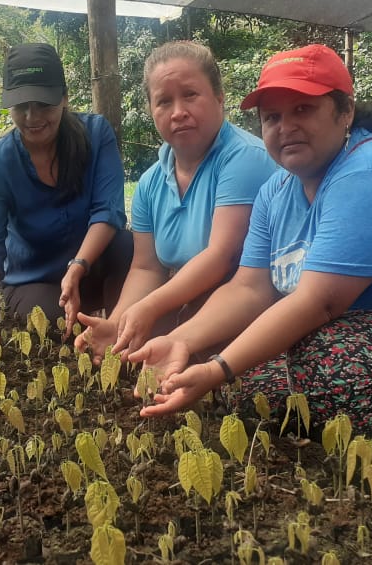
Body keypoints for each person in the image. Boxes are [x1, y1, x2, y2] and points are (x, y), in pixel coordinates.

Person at [128, 44, 372, 512]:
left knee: (326, 360)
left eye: (303, 110)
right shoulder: (277, 191)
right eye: (272, 117)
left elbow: (319, 302)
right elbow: (249, 288)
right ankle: (355, 440)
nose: (285, 127)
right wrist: (182, 341)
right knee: (254, 385)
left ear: (344, 111)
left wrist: (216, 369)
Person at [73, 41, 278, 361]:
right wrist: (118, 323)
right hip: (192, 299)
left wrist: (150, 307)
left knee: (167, 334)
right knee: (138, 343)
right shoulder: (150, 183)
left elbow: (220, 257)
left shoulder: (244, 159)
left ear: (219, 98)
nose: (178, 112)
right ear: (151, 110)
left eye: (190, 95)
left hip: (250, 303)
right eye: (164, 101)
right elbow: (146, 268)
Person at [0, 43, 132, 351]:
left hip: (92, 267)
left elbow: (109, 212)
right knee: (52, 324)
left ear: (64, 98)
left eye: (43, 104)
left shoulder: (95, 135)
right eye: (20, 106)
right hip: (36, 280)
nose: (32, 116)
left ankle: (121, 325)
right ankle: (96, 332)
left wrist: (78, 266)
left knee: (128, 246)